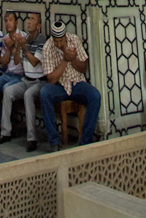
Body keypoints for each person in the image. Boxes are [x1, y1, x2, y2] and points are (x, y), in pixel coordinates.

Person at [39, 22, 101, 150]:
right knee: (44, 93)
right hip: (59, 86)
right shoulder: (47, 47)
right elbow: (51, 79)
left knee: (95, 96)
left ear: (65, 37)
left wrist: (72, 59)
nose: (59, 44)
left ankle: (86, 141)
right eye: (56, 41)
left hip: (77, 83)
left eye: (61, 41)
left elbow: (83, 68)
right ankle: (54, 141)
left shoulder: (74, 40)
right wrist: (65, 60)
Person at [0, 12, 47, 151]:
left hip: (39, 82)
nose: (28, 22)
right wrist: (16, 47)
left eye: (32, 19)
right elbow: (17, 61)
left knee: (29, 95)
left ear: (39, 25)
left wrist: (23, 47)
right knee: (8, 90)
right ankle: (5, 132)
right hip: (26, 79)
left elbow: (35, 62)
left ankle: (31, 138)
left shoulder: (42, 40)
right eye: (28, 19)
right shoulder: (25, 39)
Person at [0, 12, 26, 137]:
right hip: (7, 74)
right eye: (6, 20)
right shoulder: (5, 39)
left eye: (10, 20)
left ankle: (6, 127)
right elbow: (3, 63)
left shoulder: (23, 37)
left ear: (16, 22)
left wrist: (15, 47)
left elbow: (20, 62)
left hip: (20, 76)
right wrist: (8, 48)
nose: (8, 23)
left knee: (6, 89)